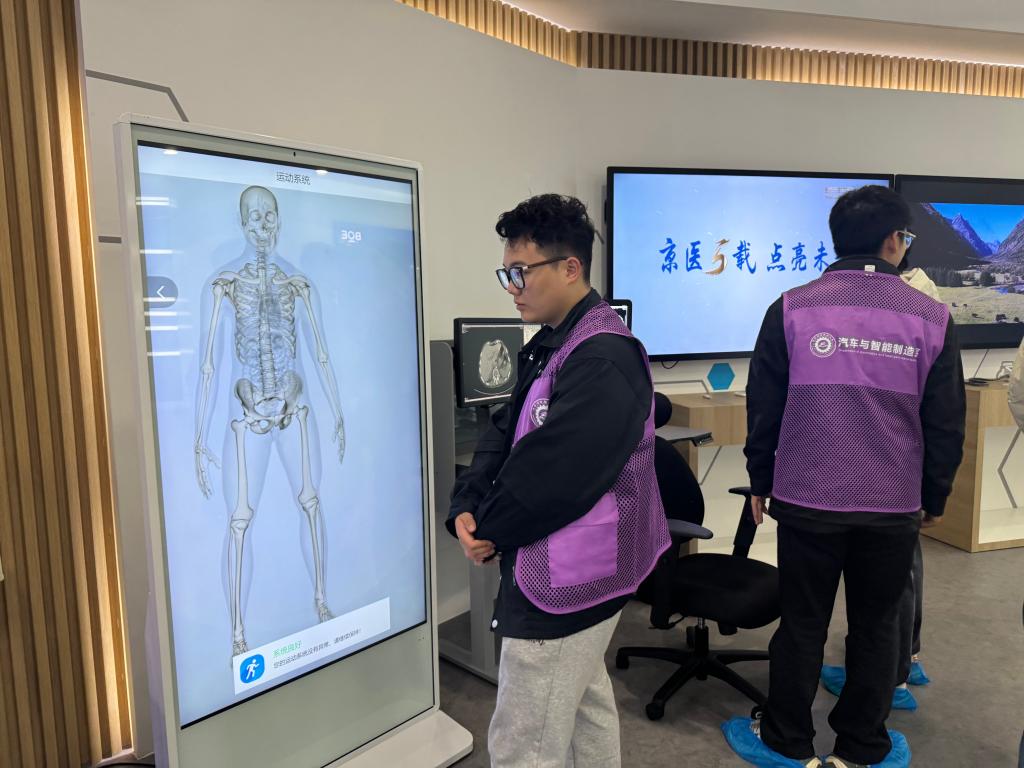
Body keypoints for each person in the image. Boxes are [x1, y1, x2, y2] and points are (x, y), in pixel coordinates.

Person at [723, 185, 966, 768]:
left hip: (807, 498)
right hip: (892, 505)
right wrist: (934, 495)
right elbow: (945, 420)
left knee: (802, 623)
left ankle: (786, 739)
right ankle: (862, 747)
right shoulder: (932, 317)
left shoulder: (791, 307)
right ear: (894, 241)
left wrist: (760, 480)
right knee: (878, 627)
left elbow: (764, 406)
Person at [447, 194, 669, 768]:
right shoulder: (554, 341)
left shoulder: (602, 357)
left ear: (571, 268)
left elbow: (554, 476)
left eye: (521, 272)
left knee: (523, 741)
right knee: (584, 702)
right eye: (507, 273)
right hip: (575, 568)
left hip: (571, 577)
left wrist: (489, 530)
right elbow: (506, 429)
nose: (512, 288)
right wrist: (467, 503)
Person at [819, 266, 938, 711]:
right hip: (899, 472)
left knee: (890, 590)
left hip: (889, 474)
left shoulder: (913, 299)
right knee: (899, 580)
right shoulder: (920, 301)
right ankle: (901, 665)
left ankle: (893, 679)